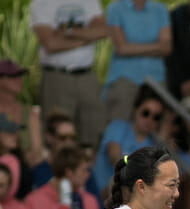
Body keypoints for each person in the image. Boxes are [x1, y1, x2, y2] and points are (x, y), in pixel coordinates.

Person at [31, 0, 108, 145]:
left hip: (87, 76)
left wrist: (68, 32)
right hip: (57, 77)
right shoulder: (40, 3)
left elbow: (103, 31)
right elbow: (51, 44)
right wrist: (87, 37)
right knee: (58, 133)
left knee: (94, 132)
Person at [104, 0, 172, 122]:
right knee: (120, 125)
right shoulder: (115, 8)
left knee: (157, 126)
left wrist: (132, 47)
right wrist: (156, 46)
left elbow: (167, 48)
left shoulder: (160, 9)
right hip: (124, 78)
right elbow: (121, 49)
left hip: (156, 79)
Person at [92, 85, 167, 193]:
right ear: (135, 110)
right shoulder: (117, 127)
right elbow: (115, 158)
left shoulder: (154, 145)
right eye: (146, 113)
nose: (150, 119)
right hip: (102, 194)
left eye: (156, 117)